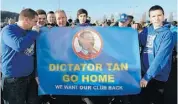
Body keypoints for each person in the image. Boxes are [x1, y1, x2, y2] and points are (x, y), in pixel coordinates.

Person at [132, 5, 175, 104]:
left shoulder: (167, 34)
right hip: (143, 72)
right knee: (143, 99)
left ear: (163, 16)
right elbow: (137, 42)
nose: (156, 18)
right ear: (150, 18)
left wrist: (147, 77)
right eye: (153, 16)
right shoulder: (147, 31)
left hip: (157, 76)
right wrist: (134, 29)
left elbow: (160, 57)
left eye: (159, 15)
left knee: (156, 99)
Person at [1, 8, 39, 104]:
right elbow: (19, 46)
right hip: (13, 79)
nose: (36, 24)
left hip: (29, 76)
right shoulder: (8, 30)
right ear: (26, 20)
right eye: (35, 21)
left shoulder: (29, 31)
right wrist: (34, 32)